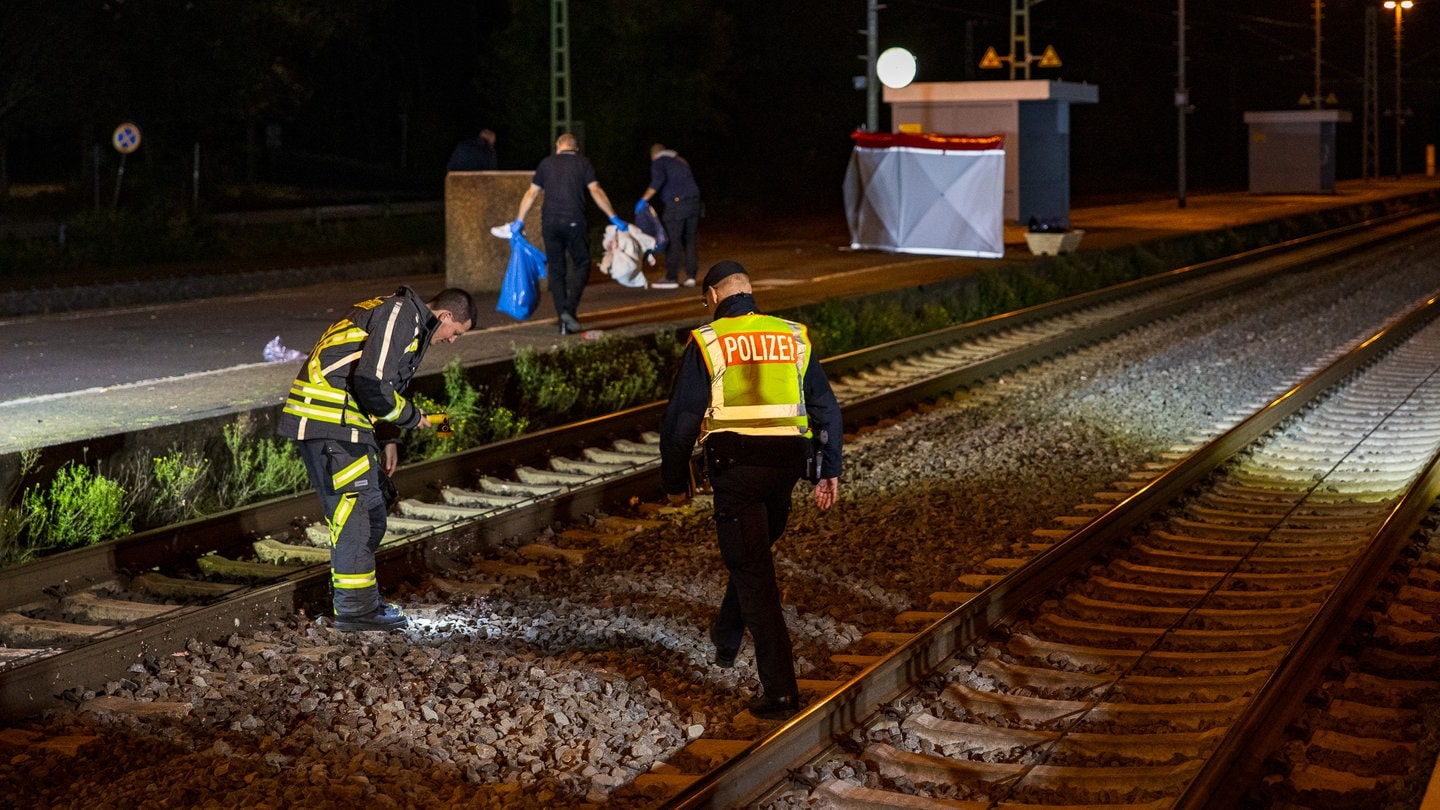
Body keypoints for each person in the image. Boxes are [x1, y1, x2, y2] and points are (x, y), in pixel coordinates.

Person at [658, 260, 842, 721]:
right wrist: (829, 468)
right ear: (749, 291)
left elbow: (680, 423)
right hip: (785, 469)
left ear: (715, 297)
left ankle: (780, 690)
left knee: (755, 574)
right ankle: (726, 635)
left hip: (736, 471)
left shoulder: (708, 340)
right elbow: (826, 407)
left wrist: (674, 484)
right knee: (752, 555)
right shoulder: (793, 335)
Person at [277, 286, 476, 632]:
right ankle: (356, 612)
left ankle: (360, 600)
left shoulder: (406, 321)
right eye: (456, 332)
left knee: (372, 513)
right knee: (357, 517)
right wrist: (412, 417)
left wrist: (389, 438)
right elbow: (371, 382)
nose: (453, 340)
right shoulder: (402, 314)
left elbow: (380, 385)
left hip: (345, 424)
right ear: (444, 316)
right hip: (330, 422)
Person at [512, 133, 628, 335]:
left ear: (558, 146)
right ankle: (569, 309)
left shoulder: (546, 163)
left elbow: (531, 193)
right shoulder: (583, 163)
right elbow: (596, 191)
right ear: (576, 148)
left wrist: (519, 220)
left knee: (556, 269)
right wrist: (613, 216)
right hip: (574, 221)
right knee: (582, 263)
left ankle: (563, 321)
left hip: (549, 223)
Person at [636, 143, 702, 289]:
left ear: (654, 155)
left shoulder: (659, 162)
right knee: (689, 240)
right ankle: (691, 276)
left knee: (673, 241)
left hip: (676, 205)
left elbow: (656, 182)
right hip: (694, 203)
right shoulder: (680, 161)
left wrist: (643, 199)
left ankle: (671, 277)